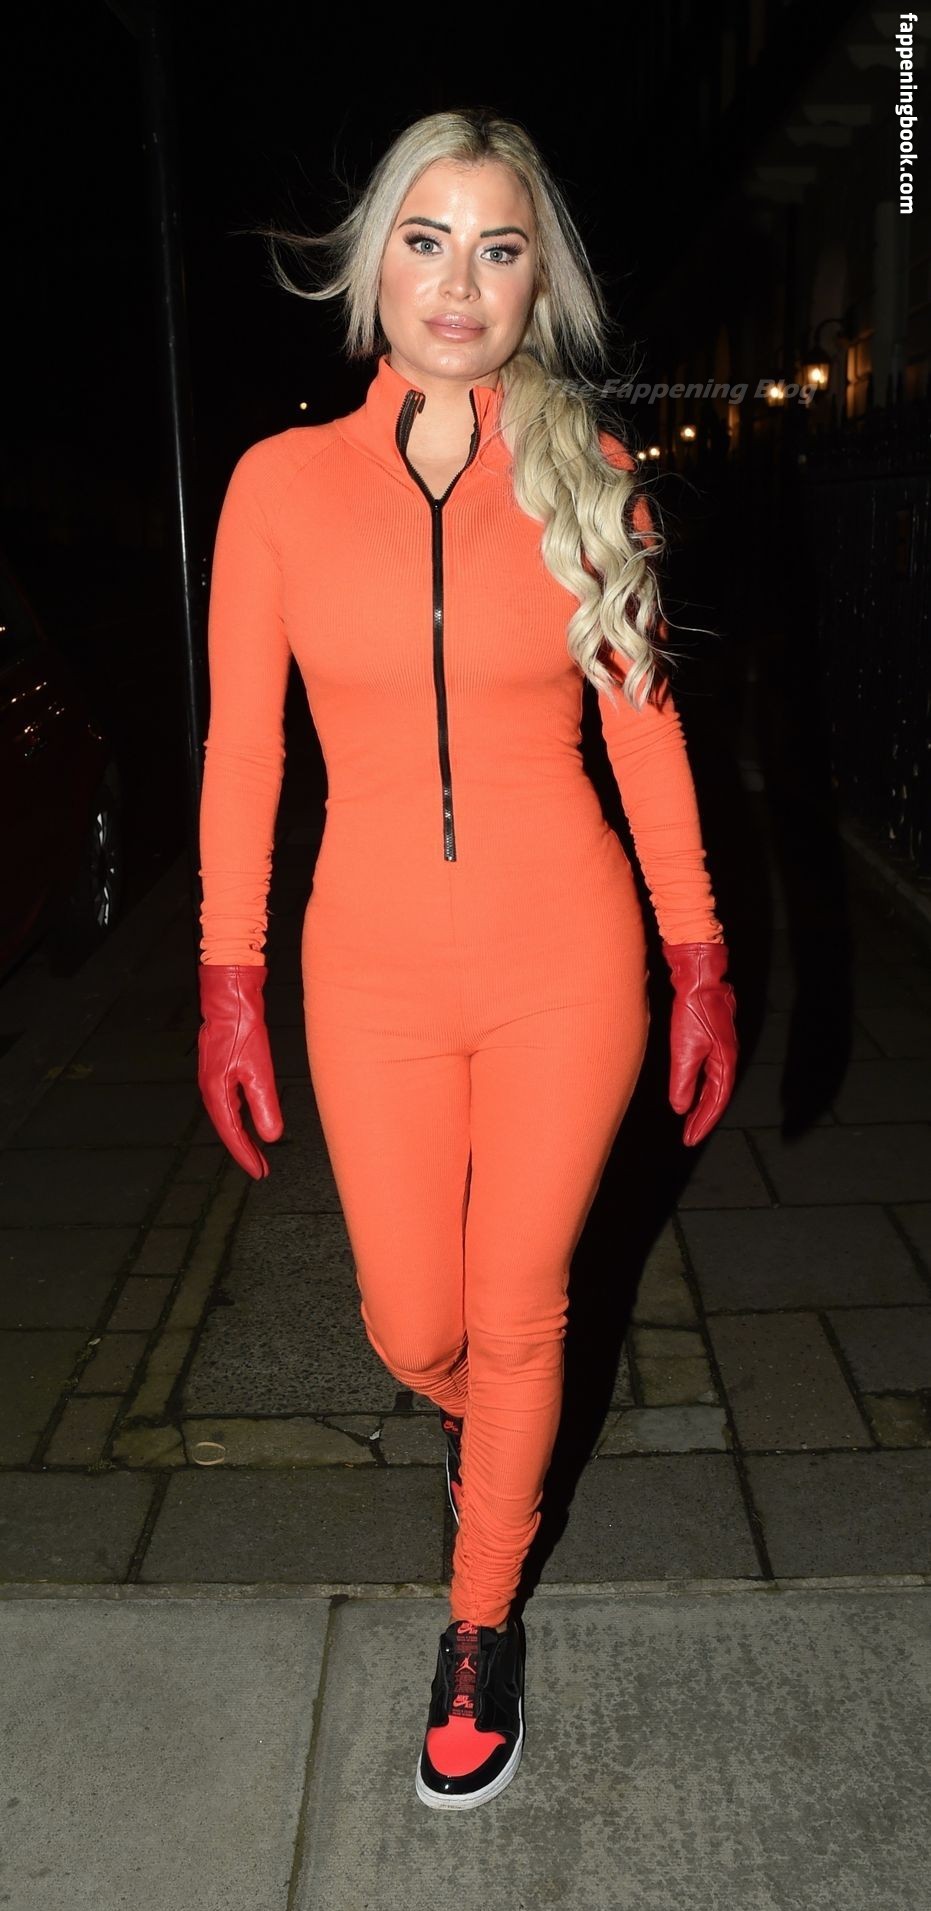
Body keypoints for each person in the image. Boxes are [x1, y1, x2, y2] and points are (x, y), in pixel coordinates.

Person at [196, 107, 739, 1811]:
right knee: (411, 1316)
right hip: (367, 971)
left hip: (568, 959)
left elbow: (646, 731)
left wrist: (700, 954)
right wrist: (227, 976)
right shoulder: (279, 488)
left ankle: (480, 1619)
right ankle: (488, 1428)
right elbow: (242, 751)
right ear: (376, 262)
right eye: (427, 240)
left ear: (536, 281)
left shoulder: (592, 474)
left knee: (518, 1309)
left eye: (499, 248)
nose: (459, 280)